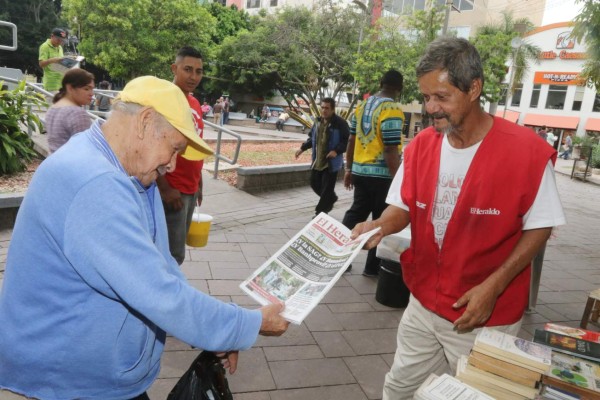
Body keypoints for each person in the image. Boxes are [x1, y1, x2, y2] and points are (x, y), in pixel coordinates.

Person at [0, 76, 289, 400]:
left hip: (101, 372)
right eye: (175, 147)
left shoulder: (133, 174)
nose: (173, 163)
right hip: (75, 381)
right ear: (146, 122)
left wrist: (219, 335)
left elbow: (162, 267)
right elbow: (159, 293)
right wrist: (245, 325)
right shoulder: (93, 183)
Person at [350, 37, 565, 399]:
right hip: (423, 304)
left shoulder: (525, 152)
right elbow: (402, 206)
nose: (431, 108)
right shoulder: (422, 145)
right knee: (400, 388)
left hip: (483, 313)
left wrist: (493, 287)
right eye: (425, 97)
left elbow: (540, 227)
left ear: (474, 88)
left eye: (442, 97)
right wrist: (379, 225)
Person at [342, 70, 404, 277]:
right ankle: (372, 268)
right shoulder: (393, 109)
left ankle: (339, 257)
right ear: (400, 88)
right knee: (381, 219)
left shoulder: (361, 105)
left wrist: (349, 168)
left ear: (381, 83)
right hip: (382, 176)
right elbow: (390, 149)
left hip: (360, 171)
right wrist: (399, 180)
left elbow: (351, 140)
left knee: (356, 213)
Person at [157, 46, 207, 265]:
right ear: (174, 69)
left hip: (190, 188)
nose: (193, 76)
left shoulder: (194, 102)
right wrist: (165, 187)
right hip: (172, 189)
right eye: (188, 69)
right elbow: (152, 146)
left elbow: (195, 145)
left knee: (176, 254)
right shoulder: (165, 100)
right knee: (170, 256)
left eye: (198, 71)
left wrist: (199, 183)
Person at [295, 98, 349, 217]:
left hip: (331, 163)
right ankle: (331, 198)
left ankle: (320, 212)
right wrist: (302, 148)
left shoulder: (340, 123)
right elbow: (312, 139)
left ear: (333, 109)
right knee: (314, 184)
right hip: (318, 160)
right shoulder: (318, 121)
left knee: (326, 189)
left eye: (327, 108)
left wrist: (336, 150)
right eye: (322, 107)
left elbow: (347, 141)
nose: (324, 110)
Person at [45, 68, 94, 153]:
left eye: (92, 89)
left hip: (52, 161)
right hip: (72, 164)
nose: (91, 93)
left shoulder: (53, 108)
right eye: (86, 89)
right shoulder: (77, 113)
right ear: (70, 88)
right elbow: (85, 151)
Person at [38, 28, 67, 93]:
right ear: (52, 36)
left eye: (61, 40)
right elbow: (41, 64)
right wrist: (51, 60)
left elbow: (59, 65)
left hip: (61, 84)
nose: (60, 42)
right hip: (51, 85)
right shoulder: (45, 46)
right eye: (58, 39)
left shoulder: (60, 47)